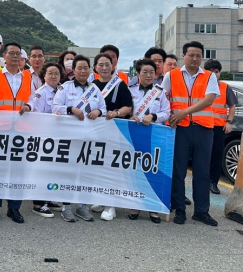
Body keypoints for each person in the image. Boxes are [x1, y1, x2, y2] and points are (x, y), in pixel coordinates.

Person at [162, 41, 219, 226]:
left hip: (203, 129)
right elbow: (162, 98)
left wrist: (184, 112)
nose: (195, 59)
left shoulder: (209, 76)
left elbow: (209, 99)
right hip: (180, 130)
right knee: (178, 170)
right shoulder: (171, 75)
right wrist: (167, 117)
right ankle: (179, 209)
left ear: (201, 58)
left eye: (198, 56)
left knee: (202, 172)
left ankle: (202, 211)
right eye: (191, 55)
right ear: (183, 56)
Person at [52, 55, 107, 222]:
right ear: (73, 70)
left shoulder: (95, 89)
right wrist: (71, 109)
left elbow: (104, 108)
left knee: (85, 173)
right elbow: (55, 107)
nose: (83, 71)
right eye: (80, 68)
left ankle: (82, 206)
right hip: (69, 138)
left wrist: (98, 112)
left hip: (89, 139)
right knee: (68, 173)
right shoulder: (65, 88)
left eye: (86, 68)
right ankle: (66, 206)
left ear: (90, 70)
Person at [0, 42, 35, 223]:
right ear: (4, 56)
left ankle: (14, 208)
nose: (15, 57)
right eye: (11, 53)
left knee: (18, 171)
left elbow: (32, 99)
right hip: (0, 129)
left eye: (18, 54)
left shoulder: (28, 78)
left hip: (21, 131)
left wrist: (29, 106)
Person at [127, 58, 171, 224]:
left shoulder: (160, 92)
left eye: (151, 72)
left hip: (155, 135)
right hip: (133, 134)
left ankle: (153, 207)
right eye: (144, 72)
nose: (148, 75)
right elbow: (125, 108)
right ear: (138, 73)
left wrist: (153, 116)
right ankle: (135, 205)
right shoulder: (130, 89)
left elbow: (167, 113)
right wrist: (130, 116)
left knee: (153, 170)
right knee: (135, 170)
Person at [91, 53, 133, 220]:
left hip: (115, 130)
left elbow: (128, 107)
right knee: (98, 166)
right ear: (95, 67)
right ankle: (101, 199)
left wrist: (116, 113)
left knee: (112, 167)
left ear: (113, 66)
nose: (104, 67)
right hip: (96, 132)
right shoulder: (92, 85)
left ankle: (111, 205)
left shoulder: (120, 85)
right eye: (100, 64)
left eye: (107, 64)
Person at [29, 62, 65, 218]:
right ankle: (38, 203)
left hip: (59, 137)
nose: (53, 76)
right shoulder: (41, 93)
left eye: (56, 73)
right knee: (42, 170)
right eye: (50, 73)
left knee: (53, 170)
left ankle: (48, 198)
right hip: (44, 137)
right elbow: (36, 116)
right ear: (44, 76)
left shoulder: (63, 91)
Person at [204, 59, 237, 195]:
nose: (214, 74)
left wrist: (229, 121)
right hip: (203, 126)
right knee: (202, 156)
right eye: (211, 72)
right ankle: (202, 181)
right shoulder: (201, 86)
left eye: (217, 72)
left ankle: (213, 183)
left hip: (218, 127)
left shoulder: (224, 87)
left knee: (216, 156)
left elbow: (232, 105)